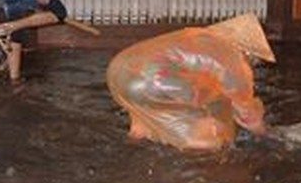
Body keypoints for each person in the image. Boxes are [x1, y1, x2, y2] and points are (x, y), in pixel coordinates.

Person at [106, 14, 276, 151]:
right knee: (216, 122)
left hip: (118, 71)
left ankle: (133, 148)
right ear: (248, 49)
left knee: (144, 125)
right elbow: (245, 110)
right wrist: (265, 134)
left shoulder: (197, 37)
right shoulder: (231, 54)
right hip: (157, 79)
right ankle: (204, 156)